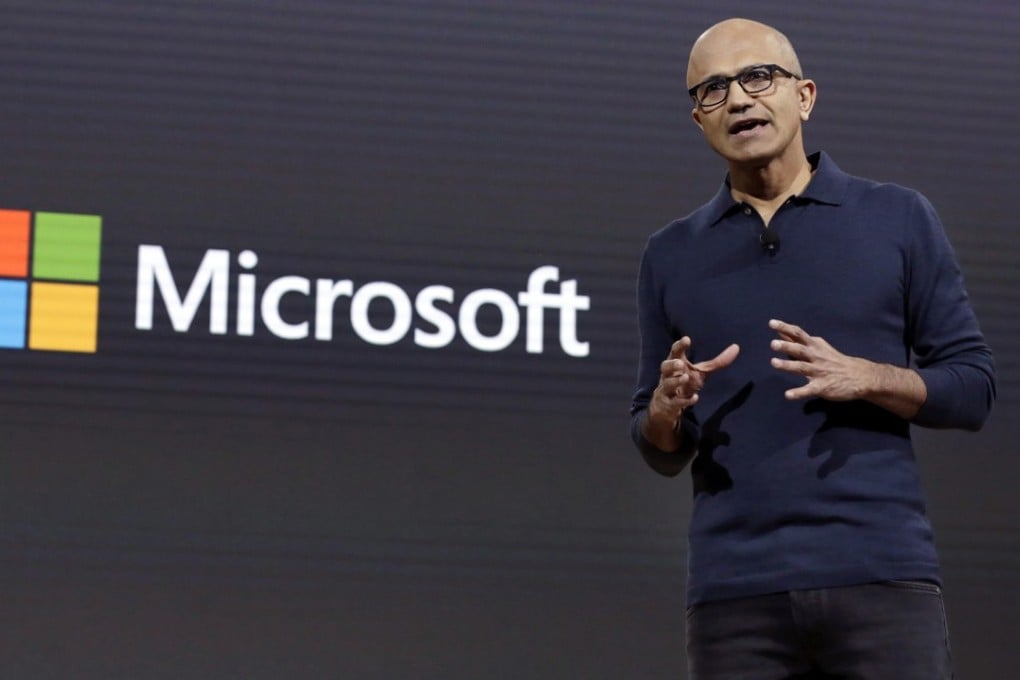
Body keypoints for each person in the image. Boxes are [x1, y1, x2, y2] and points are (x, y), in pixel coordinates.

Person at [629, 17, 995, 680]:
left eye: (757, 77)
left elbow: (972, 388)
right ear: (699, 122)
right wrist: (664, 409)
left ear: (804, 97)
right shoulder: (670, 254)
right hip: (735, 595)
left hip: (881, 580)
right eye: (712, 90)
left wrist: (868, 377)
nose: (738, 99)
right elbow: (658, 448)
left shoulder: (898, 219)